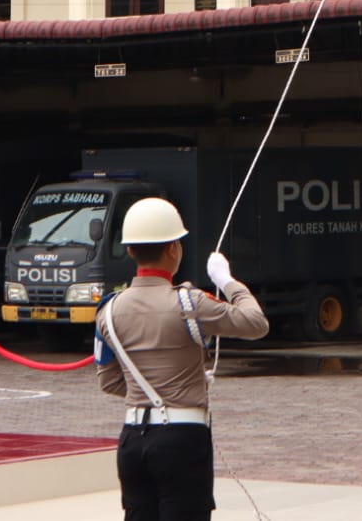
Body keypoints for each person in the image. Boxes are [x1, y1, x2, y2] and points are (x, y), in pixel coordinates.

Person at [95, 197, 269, 520]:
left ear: (130, 251)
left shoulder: (108, 310)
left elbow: (108, 381)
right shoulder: (190, 303)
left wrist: (151, 394)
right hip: (182, 441)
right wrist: (227, 281)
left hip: (132, 441)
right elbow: (256, 323)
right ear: (174, 249)